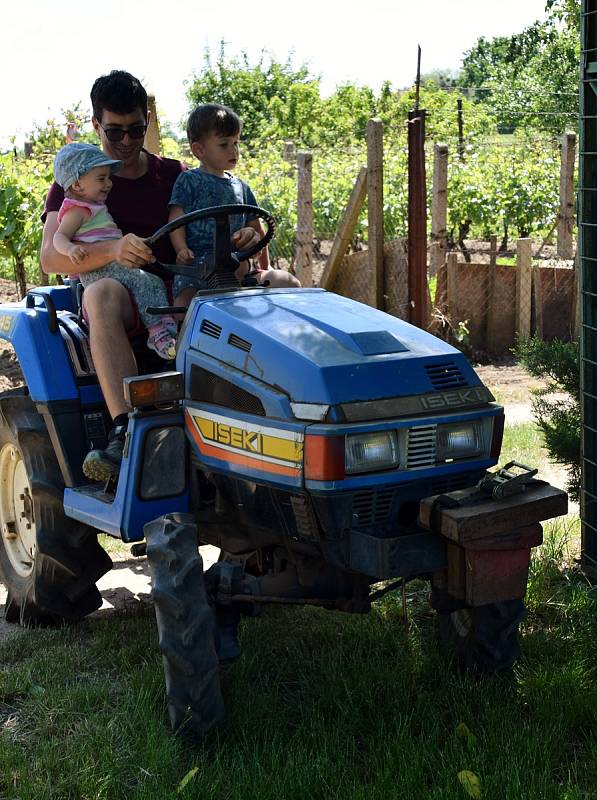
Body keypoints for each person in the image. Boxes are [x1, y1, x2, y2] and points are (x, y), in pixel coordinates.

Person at [40, 71, 260, 482]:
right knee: (103, 291)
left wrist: (245, 235)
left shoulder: (176, 175)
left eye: (136, 129)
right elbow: (51, 258)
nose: (125, 142)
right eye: (114, 131)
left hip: (181, 289)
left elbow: (216, 222)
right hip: (123, 295)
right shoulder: (77, 186)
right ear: (95, 126)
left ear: (148, 121)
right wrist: (113, 250)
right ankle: (125, 429)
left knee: (279, 287)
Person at [52, 142, 177, 360]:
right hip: (97, 271)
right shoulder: (77, 210)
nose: (109, 183)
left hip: (112, 266)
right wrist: (70, 249)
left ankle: (166, 321)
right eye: (101, 178)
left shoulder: (95, 207)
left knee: (153, 281)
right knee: (141, 282)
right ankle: (157, 333)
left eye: (108, 178)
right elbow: (58, 237)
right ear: (78, 184)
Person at [168, 103, 300, 306]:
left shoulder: (242, 187)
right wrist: (181, 249)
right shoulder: (188, 181)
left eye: (236, 143)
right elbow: (176, 218)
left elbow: (257, 229)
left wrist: (268, 267)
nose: (234, 150)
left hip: (236, 266)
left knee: (288, 283)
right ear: (199, 149)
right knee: (184, 306)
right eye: (224, 144)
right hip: (197, 270)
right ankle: (175, 336)